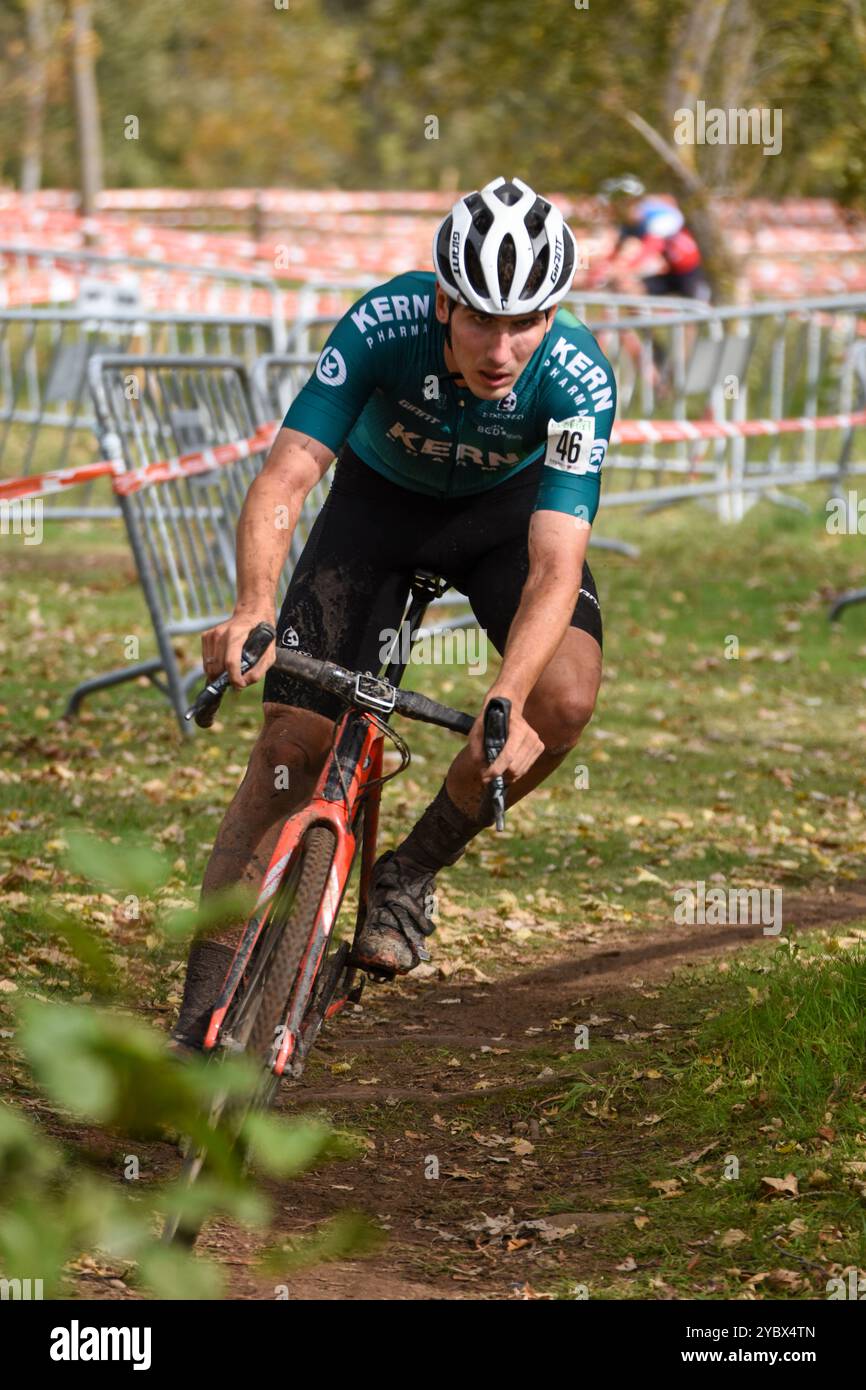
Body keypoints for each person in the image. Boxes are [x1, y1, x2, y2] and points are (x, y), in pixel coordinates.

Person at [170, 176, 617, 1051]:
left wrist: (504, 695)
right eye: (481, 318)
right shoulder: (383, 324)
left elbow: (557, 560)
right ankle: (194, 1028)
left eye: (525, 321)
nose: (501, 347)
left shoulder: (576, 377)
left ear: (553, 313)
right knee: (286, 754)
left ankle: (408, 874)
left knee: (560, 700)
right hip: (376, 512)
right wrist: (252, 606)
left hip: (502, 526)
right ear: (444, 302)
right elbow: (285, 479)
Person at [597, 175, 711, 303]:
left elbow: (650, 248)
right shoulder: (631, 223)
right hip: (670, 272)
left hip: (689, 272)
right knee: (634, 289)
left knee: (694, 309)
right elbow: (619, 247)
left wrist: (627, 269)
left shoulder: (658, 216)